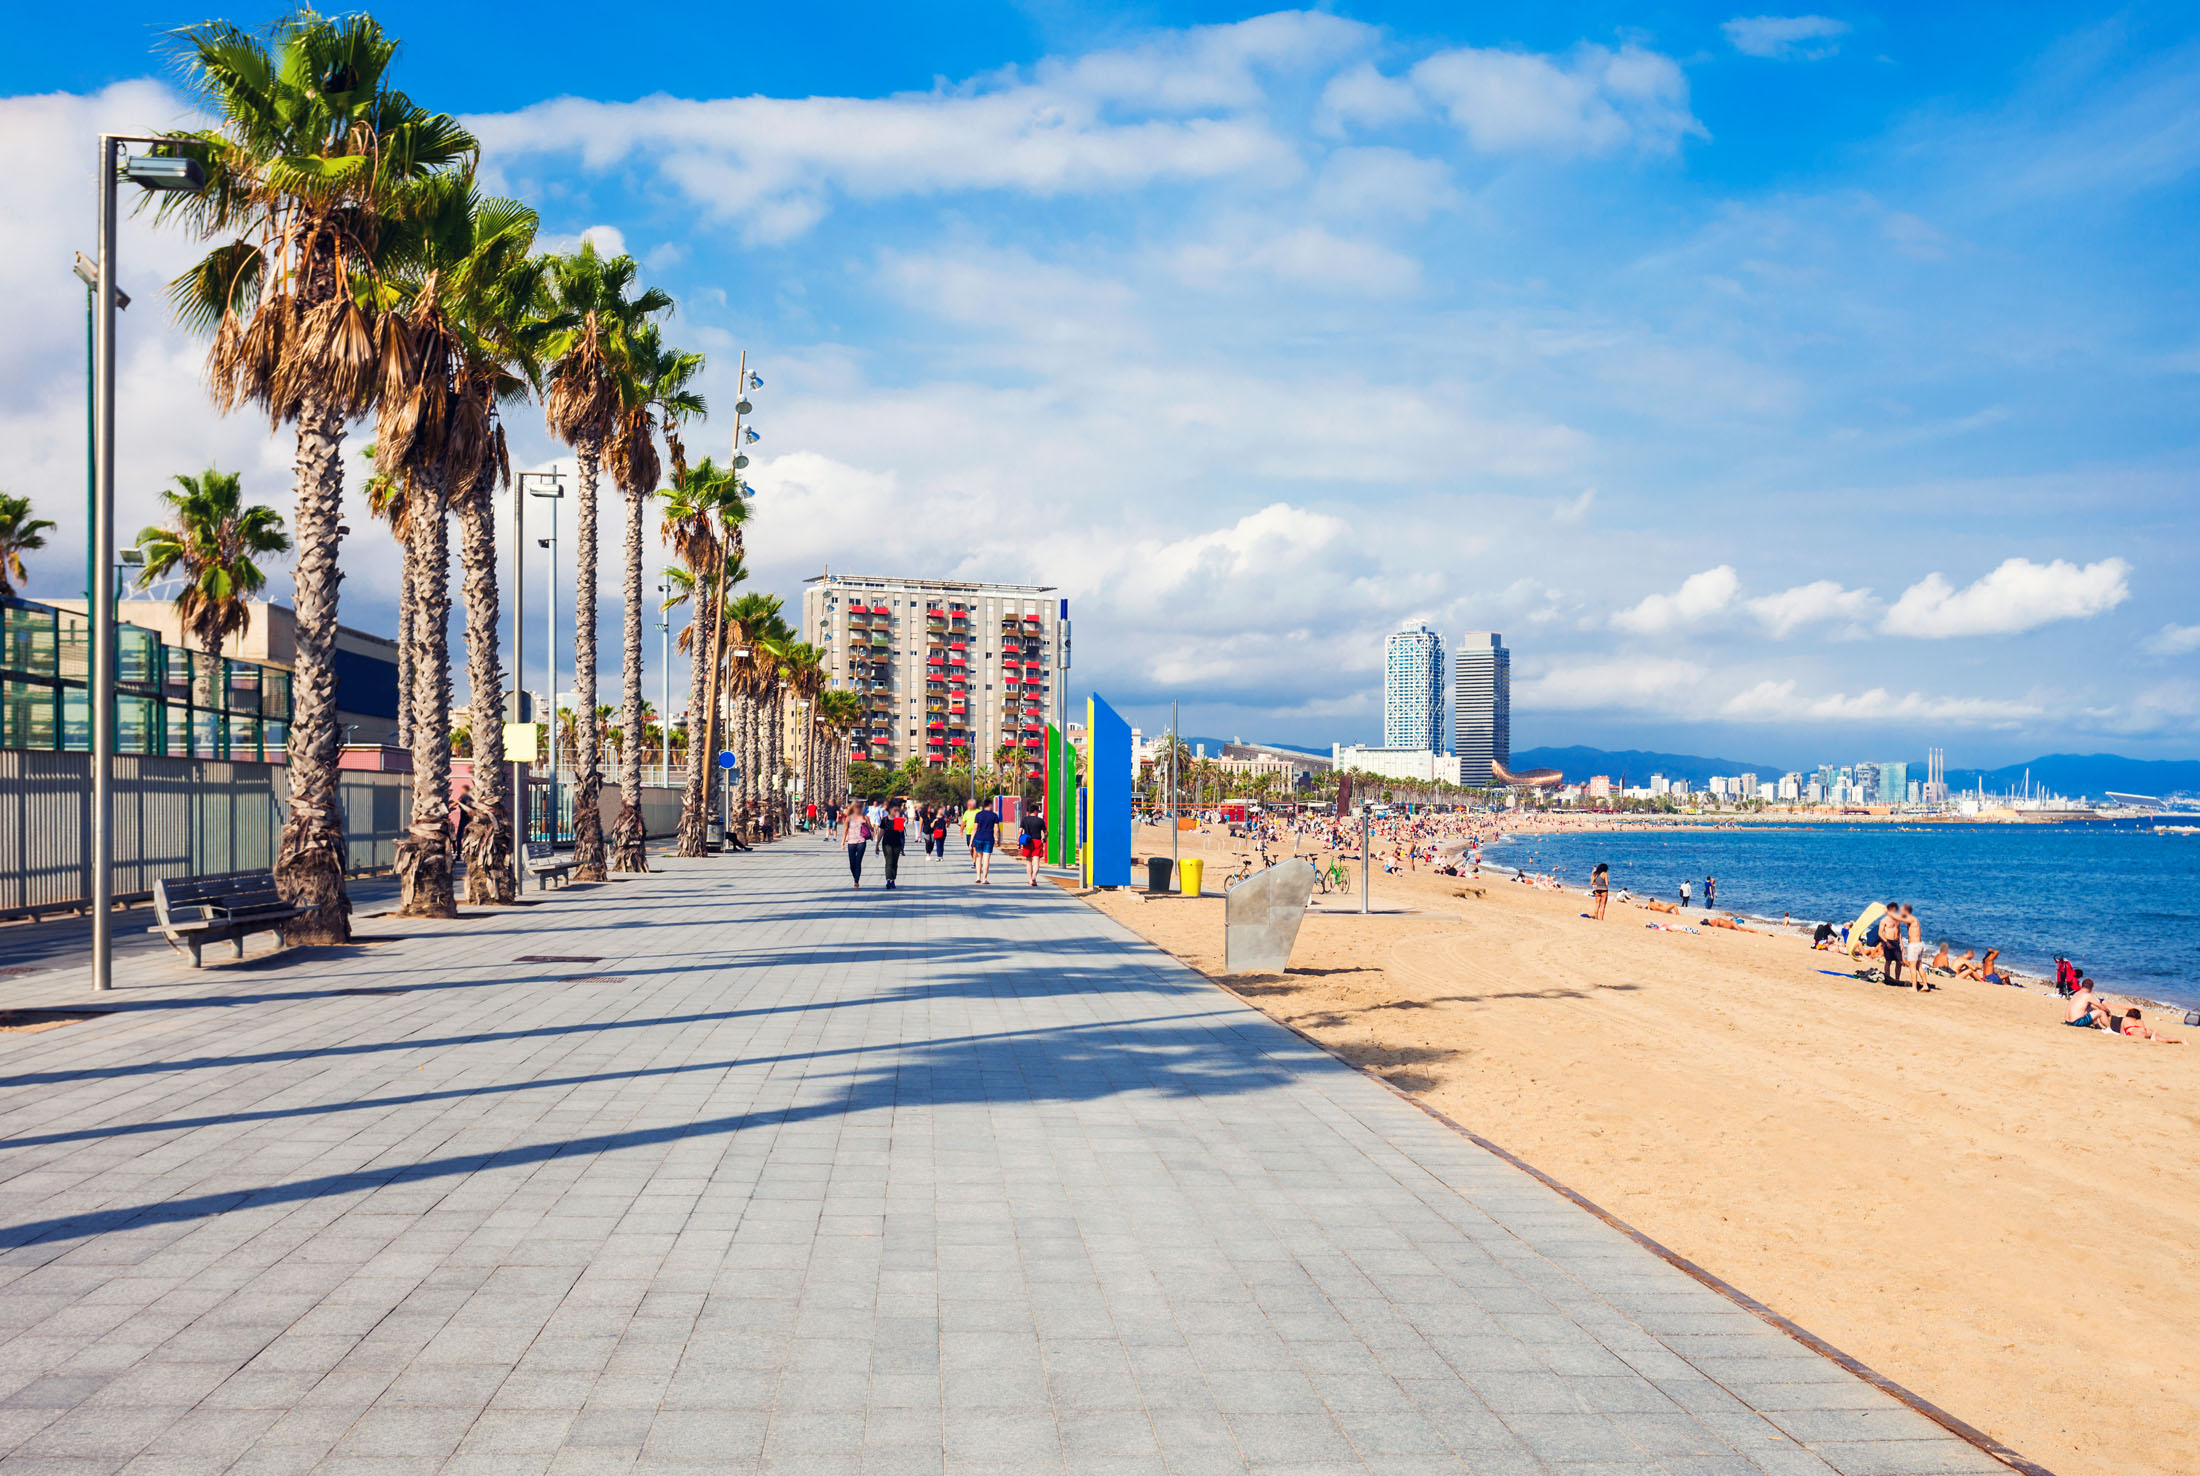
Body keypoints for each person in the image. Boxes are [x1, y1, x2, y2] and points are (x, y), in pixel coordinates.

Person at [880, 797, 908, 889]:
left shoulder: (898, 819)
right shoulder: (884, 820)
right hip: (886, 843)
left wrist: (898, 819)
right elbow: (881, 832)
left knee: (894, 862)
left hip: (896, 843)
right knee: (889, 861)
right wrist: (876, 845)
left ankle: (893, 880)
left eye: (897, 810)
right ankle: (888, 880)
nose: (896, 811)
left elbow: (900, 831)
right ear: (890, 810)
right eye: (894, 810)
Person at [840, 804, 870, 889]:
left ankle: (856, 881)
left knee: (858, 862)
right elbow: (845, 830)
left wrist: (867, 824)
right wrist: (842, 842)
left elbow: (871, 828)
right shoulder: (848, 818)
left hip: (861, 841)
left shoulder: (864, 817)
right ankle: (855, 876)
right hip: (851, 841)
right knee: (852, 863)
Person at [970, 799, 1000, 884]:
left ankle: (978, 877)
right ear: (990, 805)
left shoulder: (978, 815)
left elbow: (974, 828)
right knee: (986, 859)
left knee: (978, 858)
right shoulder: (994, 815)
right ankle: (984, 879)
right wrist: (998, 839)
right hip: (989, 839)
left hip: (979, 838)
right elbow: (997, 829)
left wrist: (971, 841)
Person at [2117, 1008, 2183, 1043]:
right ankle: (2181, 1040)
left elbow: (2122, 1032)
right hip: (2146, 1030)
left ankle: (2152, 1037)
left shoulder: (2126, 1019)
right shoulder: (2140, 1021)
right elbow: (2143, 1028)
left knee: (2143, 1036)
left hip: (2135, 1030)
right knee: (2164, 1039)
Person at [1018, 804, 1047, 886]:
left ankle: (1030, 879)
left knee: (1028, 862)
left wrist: (1018, 843)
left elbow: (1019, 832)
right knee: (1036, 861)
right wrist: (1045, 838)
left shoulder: (1024, 820)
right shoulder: (1040, 821)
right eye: (1037, 811)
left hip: (1027, 842)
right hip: (1037, 841)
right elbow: (1045, 832)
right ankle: (1034, 877)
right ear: (1035, 811)